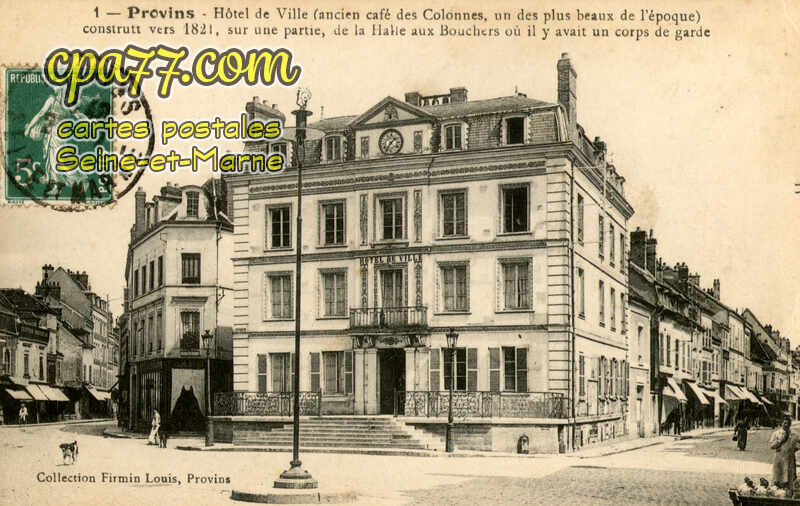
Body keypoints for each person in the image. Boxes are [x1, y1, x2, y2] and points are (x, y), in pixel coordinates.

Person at [770, 415, 800, 496]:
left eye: (788, 423)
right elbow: (772, 446)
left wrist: (795, 448)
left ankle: (788, 496)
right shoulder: (776, 433)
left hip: (790, 459)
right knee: (778, 478)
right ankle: (777, 495)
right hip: (779, 458)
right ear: (781, 423)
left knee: (790, 479)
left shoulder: (794, 434)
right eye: (784, 423)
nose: (786, 425)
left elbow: (798, 443)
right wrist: (780, 441)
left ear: (790, 424)